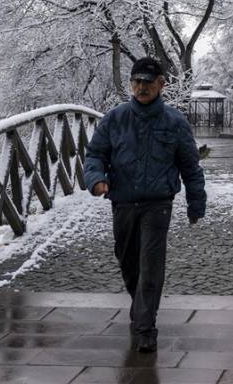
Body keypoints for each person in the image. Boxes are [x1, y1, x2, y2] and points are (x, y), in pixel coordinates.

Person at [83, 57, 206, 353]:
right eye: (136, 81)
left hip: (158, 204)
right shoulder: (115, 118)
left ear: (161, 84)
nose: (141, 87)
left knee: (150, 268)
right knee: (128, 265)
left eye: (148, 82)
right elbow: (95, 154)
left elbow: (190, 166)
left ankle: (146, 327)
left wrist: (195, 203)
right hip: (123, 203)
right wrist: (96, 179)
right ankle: (141, 309)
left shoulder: (175, 122)